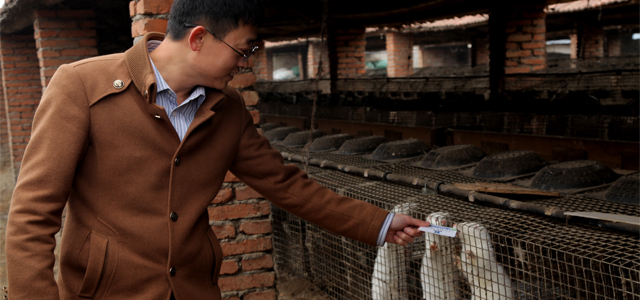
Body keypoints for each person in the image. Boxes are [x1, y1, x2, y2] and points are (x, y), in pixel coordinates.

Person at [5, 0, 429, 299]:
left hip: (192, 289)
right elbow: (31, 215)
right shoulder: (81, 84)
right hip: (106, 292)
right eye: (243, 50)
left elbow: (285, 185)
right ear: (198, 38)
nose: (246, 62)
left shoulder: (227, 109)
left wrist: (379, 223)